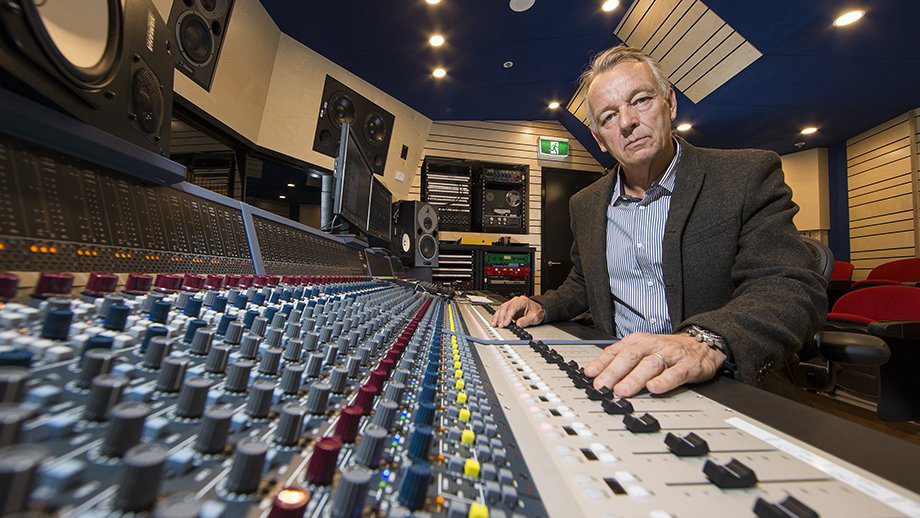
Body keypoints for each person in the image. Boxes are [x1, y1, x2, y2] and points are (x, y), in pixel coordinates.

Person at [490, 45, 826, 399]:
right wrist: (544, 305)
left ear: (670, 103)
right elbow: (584, 283)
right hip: (618, 378)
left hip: (723, 382)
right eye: (608, 116)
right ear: (600, 140)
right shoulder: (585, 204)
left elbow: (789, 285)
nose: (627, 121)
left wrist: (705, 342)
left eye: (640, 100)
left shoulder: (745, 175)